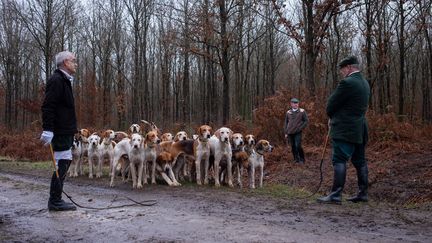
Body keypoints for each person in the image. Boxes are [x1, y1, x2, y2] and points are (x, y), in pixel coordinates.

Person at [317, 55, 370, 204]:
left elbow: (331, 105)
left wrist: (331, 116)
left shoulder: (347, 83)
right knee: (360, 161)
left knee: (339, 159)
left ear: (348, 68)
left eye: (342, 69)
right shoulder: (365, 83)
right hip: (360, 128)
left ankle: (335, 194)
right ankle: (363, 193)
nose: (341, 72)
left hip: (345, 128)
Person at [40, 51, 78, 211]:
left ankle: (56, 199)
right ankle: (55, 200)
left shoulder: (64, 80)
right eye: (73, 61)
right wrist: (48, 130)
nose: (75, 64)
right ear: (65, 63)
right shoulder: (56, 80)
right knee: (62, 161)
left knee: (65, 160)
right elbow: (48, 106)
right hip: (60, 131)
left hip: (66, 130)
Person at [284, 98, 308, 163]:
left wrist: (300, 128)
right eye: (294, 103)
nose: (296, 104)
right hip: (290, 132)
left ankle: (302, 159)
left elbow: (306, 121)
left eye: (297, 103)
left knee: (298, 146)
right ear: (291, 104)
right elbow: (286, 122)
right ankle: (296, 159)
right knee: (293, 146)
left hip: (298, 132)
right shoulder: (288, 112)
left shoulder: (302, 111)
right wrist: (285, 132)